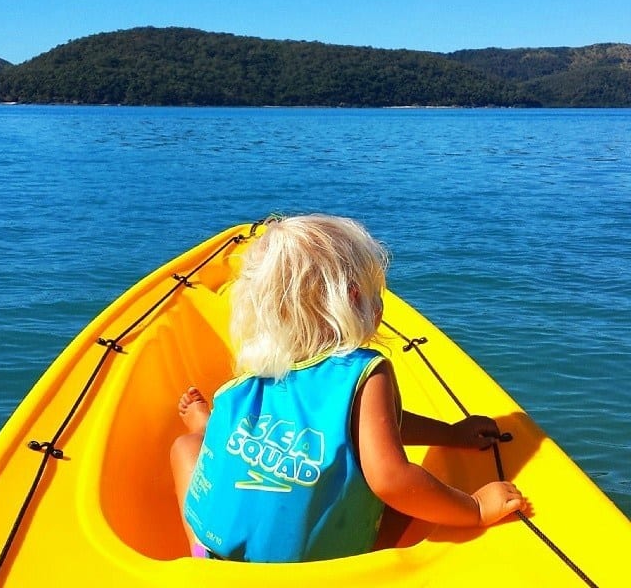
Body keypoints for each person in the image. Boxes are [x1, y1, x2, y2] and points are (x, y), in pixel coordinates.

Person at [170, 214, 526, 563]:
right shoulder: (366, 372)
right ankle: (211, 428)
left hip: (215, 554)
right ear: (355, 299)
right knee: (416, 488)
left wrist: (448, 434)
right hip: (312, 568)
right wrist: (475, 509)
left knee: (186, 446)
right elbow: (390, 479)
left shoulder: (263, 363)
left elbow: (373, 425)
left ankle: (212, 430)